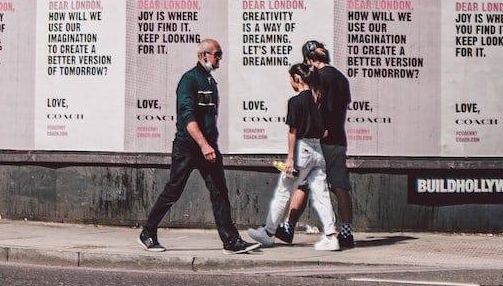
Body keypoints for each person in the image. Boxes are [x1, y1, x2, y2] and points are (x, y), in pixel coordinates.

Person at [139, 38, 260, 254]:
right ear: (204, 55)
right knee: (173, 191)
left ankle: (231, 242)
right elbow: (188, 116)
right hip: (188, 147)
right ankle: (148, 232)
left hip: (208, 146)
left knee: (219, 192)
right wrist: (204, 144)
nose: (220, 58)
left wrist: (209, 143)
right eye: (217, 54)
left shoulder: (210, 81)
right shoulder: (189, 80)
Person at [248, 63, 339, 251]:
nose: (290, 82)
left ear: (297, 79)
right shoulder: (317, 100)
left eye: (290, 78)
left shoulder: (295, 102)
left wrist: (290, 158)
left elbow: (292, 132)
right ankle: (331, 236)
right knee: (321, 194)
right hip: (317, 150)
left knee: (284, 191)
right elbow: (324, 132)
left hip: (301, 150)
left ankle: (268, 232)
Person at [281, 39, 355, 248]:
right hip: (338, 139)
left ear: (310, 60)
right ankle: (347, 233)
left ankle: (288, 228)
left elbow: (312, 106)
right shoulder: (342, 79)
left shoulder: (317, 78)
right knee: (340, 186)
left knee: (302, 183)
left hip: (317, 139)